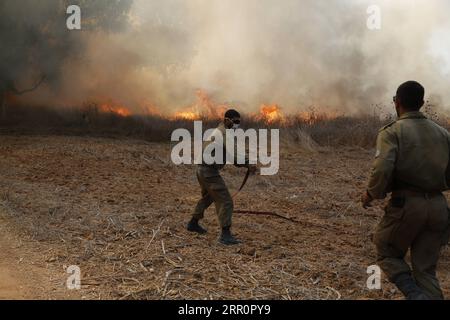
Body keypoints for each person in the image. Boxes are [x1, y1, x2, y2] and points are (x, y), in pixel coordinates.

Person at [362, 81, 450, 300]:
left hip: (407, 206)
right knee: (426, 271)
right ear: (421, 103)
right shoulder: (443, 134)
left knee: (386, 251)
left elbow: (382, 168)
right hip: (439, 207)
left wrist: (371, 194)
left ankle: (414, 295)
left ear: (397, 102)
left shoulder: (392, 132)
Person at [187, 109, 256, 245]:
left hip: (202, 170)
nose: (237, 125)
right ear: (226, 120)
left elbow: (231, 156)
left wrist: (245, 162)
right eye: (235, 121)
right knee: (226, 201)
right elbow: (234, 153)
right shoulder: (224, 133)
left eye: (238, 122)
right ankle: (225, 235)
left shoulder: (221, 131)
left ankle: (193, 223)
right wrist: (248, 163)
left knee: (209, 197)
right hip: (209, 172)